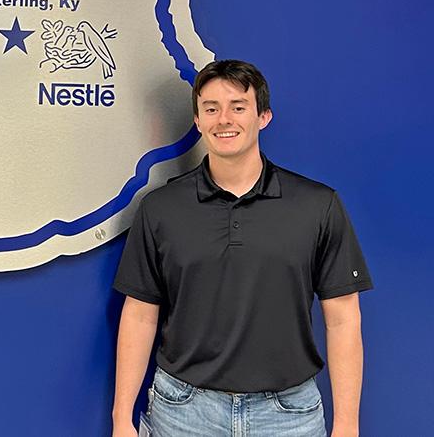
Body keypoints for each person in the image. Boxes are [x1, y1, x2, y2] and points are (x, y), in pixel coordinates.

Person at [110, 60, 371, 437]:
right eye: (211, 109)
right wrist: (122, 419)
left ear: (263, 116)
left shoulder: (317, 205)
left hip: (289, 416)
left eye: (238, 107)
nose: (223, 119)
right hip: (182, 412)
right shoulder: (161, 208)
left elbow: (344, 318)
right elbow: (139, 315)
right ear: (198, 121)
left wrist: (347, 424)